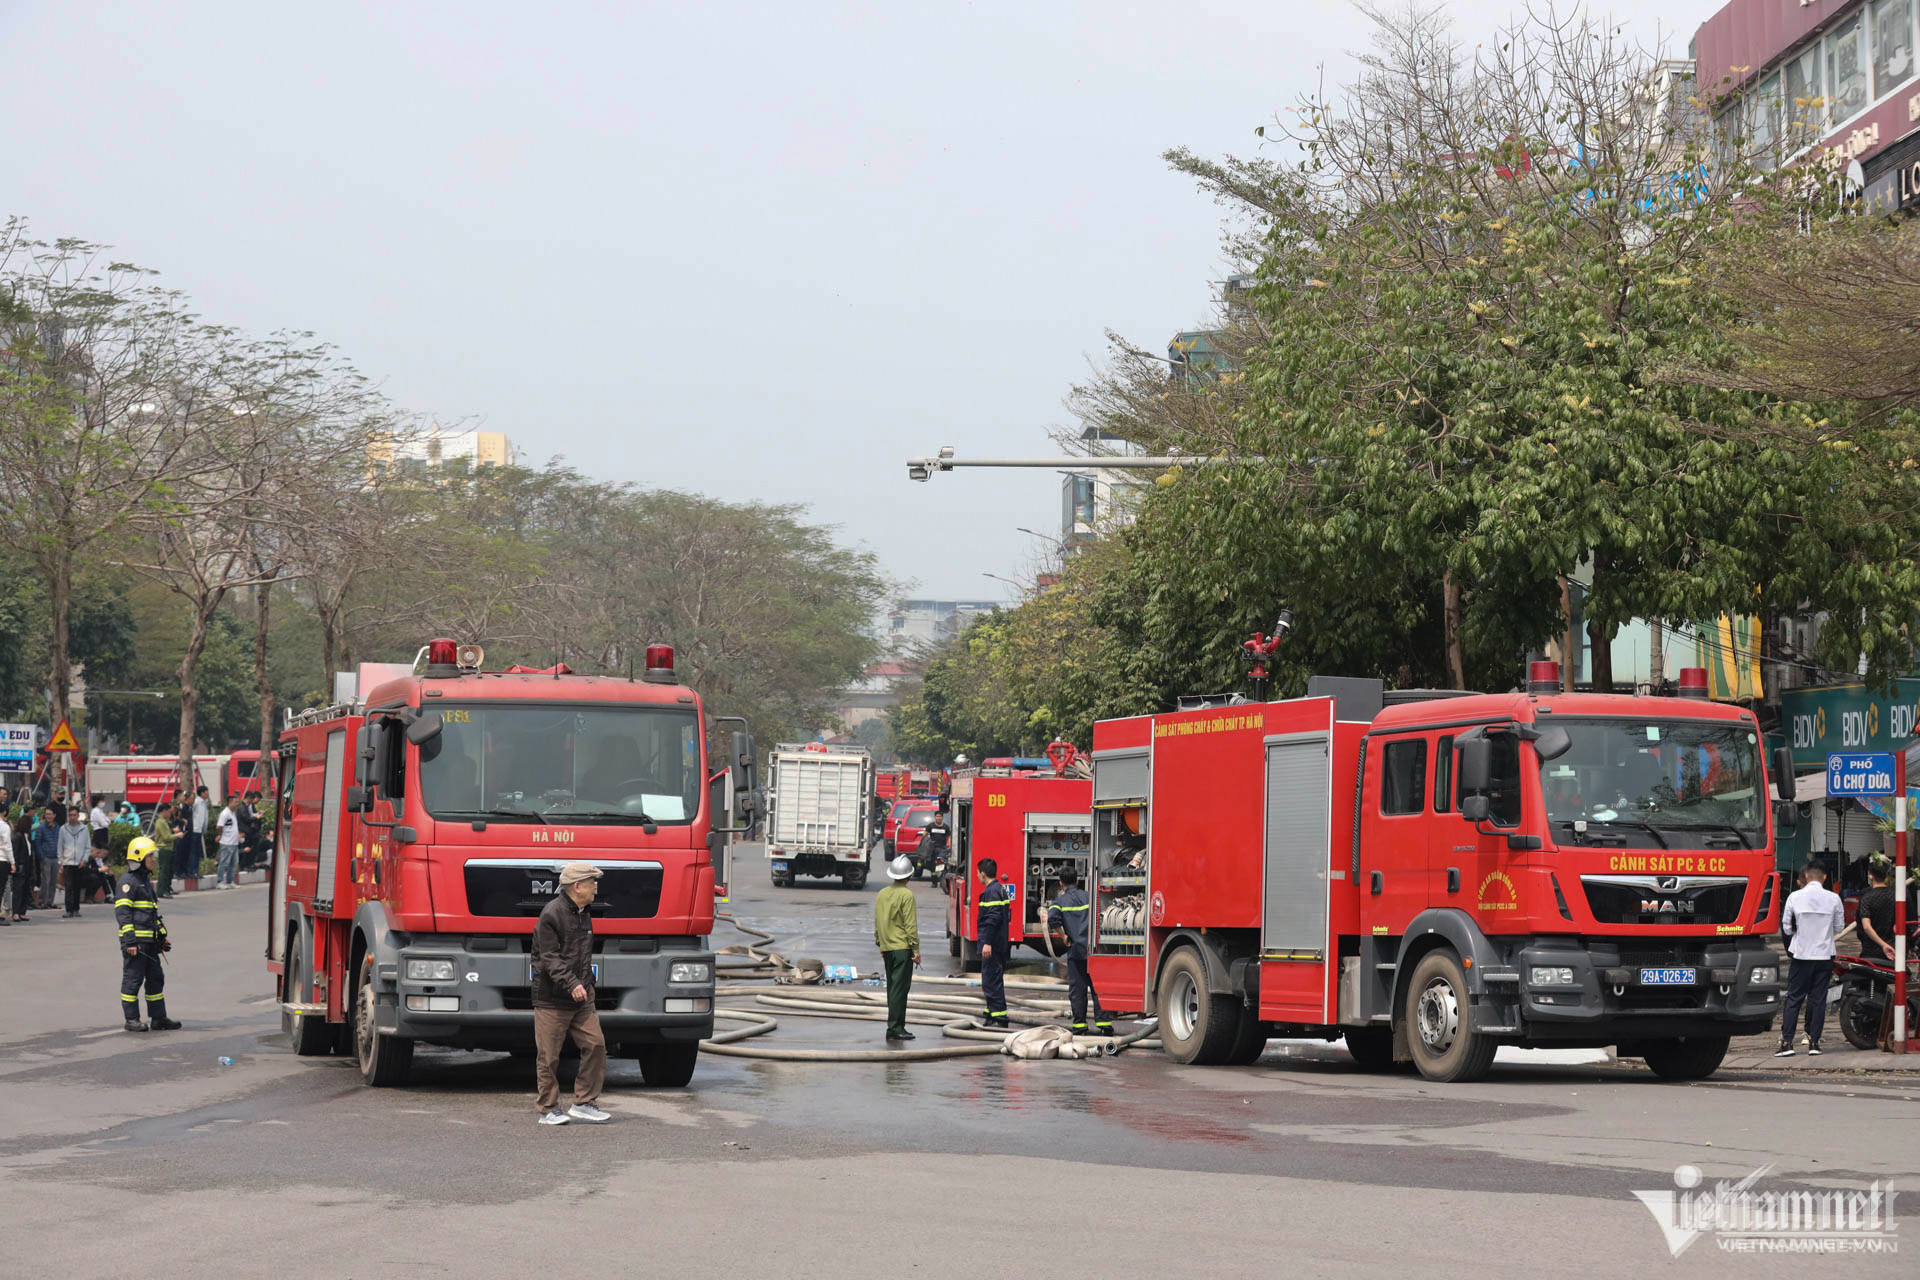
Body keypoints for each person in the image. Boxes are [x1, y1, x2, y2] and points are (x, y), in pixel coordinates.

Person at [530, 862, 611, 1125]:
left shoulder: (583, 912)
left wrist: (586, 984)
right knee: (549, 1056)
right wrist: (572, 983)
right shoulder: (551, 914)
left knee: (596, 1044)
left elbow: (582, 955)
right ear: (577, 886)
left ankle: (584, 1103)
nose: (596, 887)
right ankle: (548, 1109)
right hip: (552, 998)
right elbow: (549, 958)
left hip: (581, 996)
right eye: (592, 882)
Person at [1777, 860, 1846, 1057]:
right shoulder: (1834, 898)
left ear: (1806, 877)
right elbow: (1839, 928)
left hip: (1801, 955)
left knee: (1794, 999)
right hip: (1824, 955)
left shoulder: (1794, 897)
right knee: (1818, 999)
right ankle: (1814, 1043)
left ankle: (1787, 1043)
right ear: (1824, 878)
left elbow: (1787, 927)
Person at [115, 837, 180, 1032]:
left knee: (155, 979)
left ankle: (158, 1018)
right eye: (151, 855)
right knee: (133, 980)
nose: (154, 859)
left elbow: (151, 914)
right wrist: (130, 941)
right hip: (136, 943)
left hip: (149, 943)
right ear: (140, 857)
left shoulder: (144, 882)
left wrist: (161, 938)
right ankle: (131, 1019)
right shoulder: (128, 883)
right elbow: (123, 915)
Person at [1046, 867, 1112, 1036]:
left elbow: (1052, 919)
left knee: (1078, 990)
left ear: (1061, 884)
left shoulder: (1059, 902)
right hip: (1095, 951)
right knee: (1098, 988)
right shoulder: (1090, 897)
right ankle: (1104, 1024)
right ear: (1077, 881)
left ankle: (1080, 1026)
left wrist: (1064, 936)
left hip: (1075, 952)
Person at [873, 854, 921, 1040]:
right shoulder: (907, 895)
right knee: (900, 989)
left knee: (892, 988)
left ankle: (894, 1027)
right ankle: (896, 1027)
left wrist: (880, 943)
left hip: (887, 948)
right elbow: (910, 925)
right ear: (909, 875)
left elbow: (877, 922)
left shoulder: (882, 893)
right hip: (902, 948)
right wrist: (915, 950)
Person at [976, 857, 1014, 1031]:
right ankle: (992, 1012)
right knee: (992, 979)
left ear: (983, 874)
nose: (977, 876)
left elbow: (993, 918)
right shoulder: (1000, 890)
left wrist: (987, 942)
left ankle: (999, 1017)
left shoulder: (991, 892)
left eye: (978, 873)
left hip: (992, 945)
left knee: (991, 981)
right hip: (999, 943)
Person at [58, 806, 91, 918]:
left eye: (74, 815)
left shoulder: (84, 829)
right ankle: (69, 910)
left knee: (77, 886)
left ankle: (76, 909)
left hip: (79, 863)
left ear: (78, 816)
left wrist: (84, 859)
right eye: (70, 815)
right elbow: (60, 846)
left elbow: (87, 846)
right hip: (67, 862)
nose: (72, 817)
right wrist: (61, 861)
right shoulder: (63, 829)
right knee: (69, 887)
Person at [32, 806, 59, 910]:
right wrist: (42, 856)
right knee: (45, 881)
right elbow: (38, 843)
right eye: (46, 814)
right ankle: (42, 901)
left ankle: (50, 901)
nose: (48, 816)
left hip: (55, 857)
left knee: (53, 881)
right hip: (46, 858)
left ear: (54, 815)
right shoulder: (41, 828)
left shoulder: (58, 827)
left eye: (50, 814)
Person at [183, 786, 209, 885]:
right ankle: (191, 871)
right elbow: (191, 813)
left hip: (199, 831)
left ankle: (195, 871)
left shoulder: (203, 803)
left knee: (197, 852)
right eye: (206, 792)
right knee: (193, 852)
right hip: (194, 830)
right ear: (202, 793)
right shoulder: (197, 802)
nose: (207, 794)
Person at [151, 803, 177, 899]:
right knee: (164, 871)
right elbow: (166, 837)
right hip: (164, 848)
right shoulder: (160, 822)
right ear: (164, 811)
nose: (170, 814)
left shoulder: (164, 821)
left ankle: (167, 889)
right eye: (169, 812)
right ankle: (161, 891)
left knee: (169, 871)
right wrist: (177, 835)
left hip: (168, 849)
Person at [214, 797, 241, 888]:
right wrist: (220, 835)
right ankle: (220, 882)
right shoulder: (224, 814)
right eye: (235, 802)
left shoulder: (232, 813)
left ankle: (230, 881)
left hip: (234, 842)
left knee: (233, 863)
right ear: (230, 802)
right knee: (224, 863)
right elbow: (219, 826)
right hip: (226, 842)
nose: (237, 804)